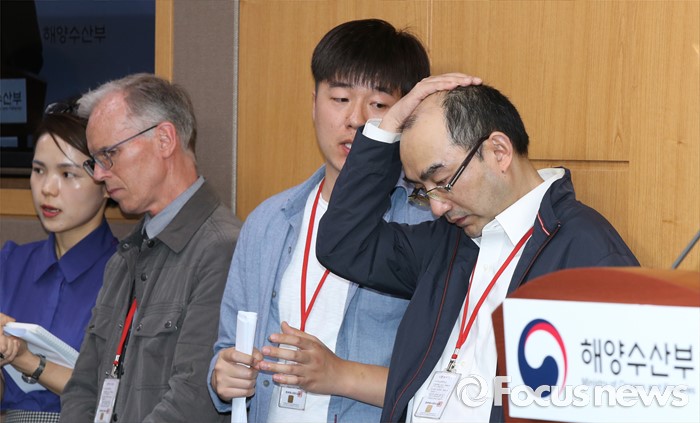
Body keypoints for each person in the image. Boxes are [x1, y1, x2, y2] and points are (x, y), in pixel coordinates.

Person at [316, 74, 640, 422]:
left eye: (443, 182)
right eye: (423, 190)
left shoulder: (588, 254)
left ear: (499, 152)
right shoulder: (447, 242)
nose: (437, 206)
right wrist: (388, 127)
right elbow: (344, 244)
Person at [208, 19, 434, 422]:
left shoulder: (426, 223)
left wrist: (340, 375)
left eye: (379, 105)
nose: (356, 119)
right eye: (340, 98)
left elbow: (453, 382)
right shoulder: (267, 221)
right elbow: (227, 344)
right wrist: (222, 375)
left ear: (408, 116)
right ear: (314, 103)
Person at [58, 74, 241, 423]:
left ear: (164, 139)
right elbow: (82, 386)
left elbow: (194, 400)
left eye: (109, 154)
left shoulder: (222, 250)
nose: (98, 174)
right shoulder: (124, 256)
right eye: (95, 160)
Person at [0, 103, 117, 423]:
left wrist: (27, 360)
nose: (47, 189)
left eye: (67, 174)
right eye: (38, 170)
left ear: (106, 182)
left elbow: (119, 393)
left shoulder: (128, 272)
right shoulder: (10, 263)